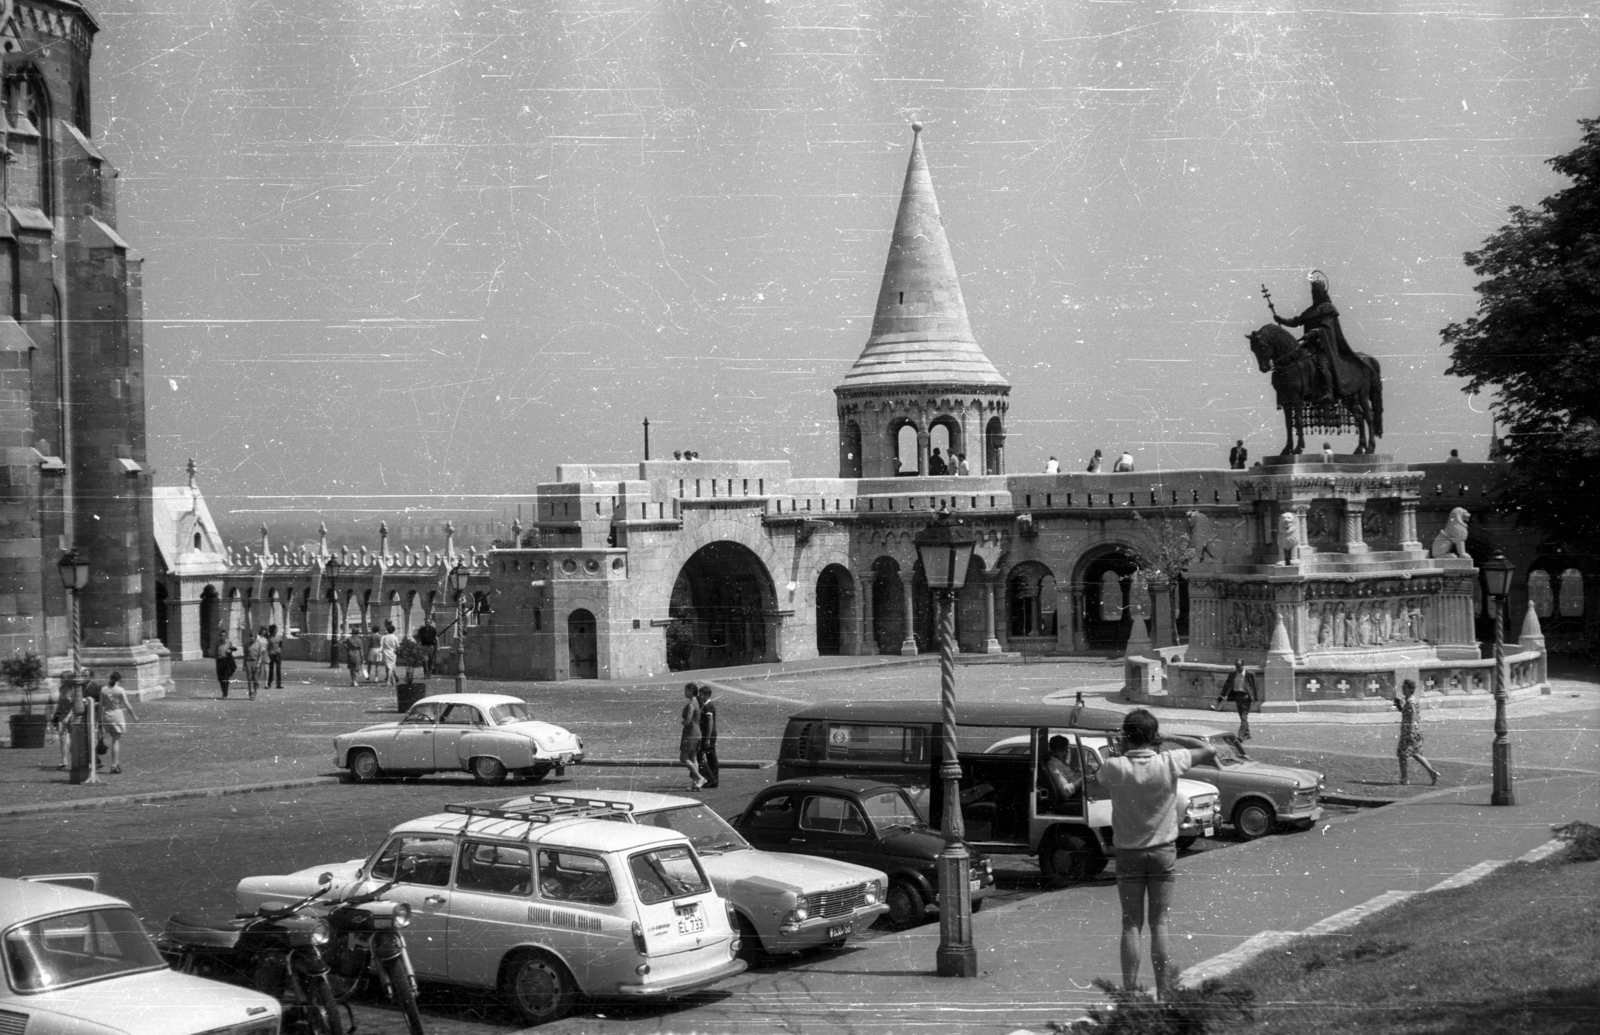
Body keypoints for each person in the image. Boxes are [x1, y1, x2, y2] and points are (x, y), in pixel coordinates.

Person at [1098, 709, 1217, 998]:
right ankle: (1164, 992)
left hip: (1128, 854)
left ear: (1127, 736)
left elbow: (1099, 776)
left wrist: (1120, 748)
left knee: (1131, 923)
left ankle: (1128, 992)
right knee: (1160, 922)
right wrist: (1170, 737)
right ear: (1154, 736)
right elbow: (1207, 749)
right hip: (1163, 852)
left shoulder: (1116, 767)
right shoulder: (1169, 761)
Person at [1273, 270, 1356, 404]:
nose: (1314, 295)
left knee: (1322, 366)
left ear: (1322, 293)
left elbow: (1327, 328)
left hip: (1323, 347)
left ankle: (1329, 392)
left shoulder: (1327, 308)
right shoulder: (1310, 311)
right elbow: (1295, 321)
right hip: (1308, 347)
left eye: (1316, 293)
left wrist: (1313, 333)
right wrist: (1280, 320)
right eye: (1313, 293)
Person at [1393, 679, 1439, 785]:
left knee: (1402, 755)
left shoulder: (1411, 702)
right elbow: (1408, 714)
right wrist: (1400, 707)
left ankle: (1404, 779)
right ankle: (1432, 773)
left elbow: (1413, 717)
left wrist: (1410, 733)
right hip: (1413, 731)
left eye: (1405, 688)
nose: (1402, 689)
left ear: (1410, 689)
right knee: (1416, 754)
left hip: (1409, 732)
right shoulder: (1411, 700)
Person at [98, 672, 138, 775]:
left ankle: (116, 763)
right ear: (118, 680)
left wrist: (98, 719)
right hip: (117, 716)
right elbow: (127, 705)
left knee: (114, 739)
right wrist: (134, 716)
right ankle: (114, 765)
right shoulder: (120, 690)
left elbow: (100, 706)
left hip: (106, 716)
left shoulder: (103, 690)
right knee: (115, 741)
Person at [1211, 659, 1258, 740]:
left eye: (1239, 667)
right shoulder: (1233, 674)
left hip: (1246, 697)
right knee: (1241, 716)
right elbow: (1227, 685)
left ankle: (1240, 735)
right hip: (1237, 697)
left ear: (1243, 666)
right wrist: (1222, 696)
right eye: (1236, 667)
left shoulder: (1250, 674)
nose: (1238, 669)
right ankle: (1247, 733)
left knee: (1244, 716)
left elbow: (1255, 687)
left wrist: (1254, 698)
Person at [48, 673, 77, 769]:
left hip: (72, 716)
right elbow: (60, 703)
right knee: (62, 739)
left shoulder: (74, 690)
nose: (61, 680)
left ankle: (75, 760)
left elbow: (74, 705)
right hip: (62, 716)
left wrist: (69, 716)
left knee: (74, 739)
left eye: (63, 678)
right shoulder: (61, 689)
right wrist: (56, 715)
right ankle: (64, 761)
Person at [1044, 735, 1083, 803]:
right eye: (1061, 750)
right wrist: (1084, 778)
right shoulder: (1054, 766)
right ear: (1053, 751)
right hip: (1071, 799)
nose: (1065, 753)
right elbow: (1066, 791)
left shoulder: (1061, 763)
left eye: (1066, 750)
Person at [679, 685, 704, 791]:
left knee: (683, 758)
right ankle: (695, 784)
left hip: (690, 734)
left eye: (686, 691)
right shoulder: (696, 702)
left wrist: (682, 722)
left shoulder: (691, 704)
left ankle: (700, 778)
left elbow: (688, 721)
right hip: (697, 733)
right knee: (693, 757)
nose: (684, 692)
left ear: (690, 691)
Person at [696, 682, 720, 789]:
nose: (700, 696)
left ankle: (711, 778)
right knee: (710, 756)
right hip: (708, 734)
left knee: (703, 755)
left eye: (701, 695)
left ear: (706, 695)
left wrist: (707, 739)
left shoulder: (708, 706)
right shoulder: (706, 705)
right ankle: (713, 779)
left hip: (708, 735)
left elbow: (710, 723)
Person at [242, 628, 266, 699]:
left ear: (255, 637)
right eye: (251, 637)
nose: (252, 638)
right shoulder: (247, 645)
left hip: (256, 662)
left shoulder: (259, 644)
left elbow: (260, 655)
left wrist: (259, 663)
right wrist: (244, 665)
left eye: (253, 637)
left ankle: (255, 691)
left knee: (255, 679)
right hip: (248, 662)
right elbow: (245, 655)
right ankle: (250, 693)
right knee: (249, 679)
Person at [380, 621, 400, 687]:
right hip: (393, 653)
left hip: (385, 653)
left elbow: (381, 645)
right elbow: (397, 646)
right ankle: (390, 681)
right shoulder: (395, 637)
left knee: (389, 667)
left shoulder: (384, 637)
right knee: (391, 667)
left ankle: (391, 681)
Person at [266, 624, 284, 689]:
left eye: (277, 629)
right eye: (275, 629)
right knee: (271, 669)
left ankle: (279, 684)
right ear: (272, 630)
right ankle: (269, 683)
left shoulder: (279, 636)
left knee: (278, 669)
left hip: (278, 654)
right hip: (271, 654)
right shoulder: (269, 637)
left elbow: (280, 644)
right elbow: (267, 646)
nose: (276, 630)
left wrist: (279, 649)